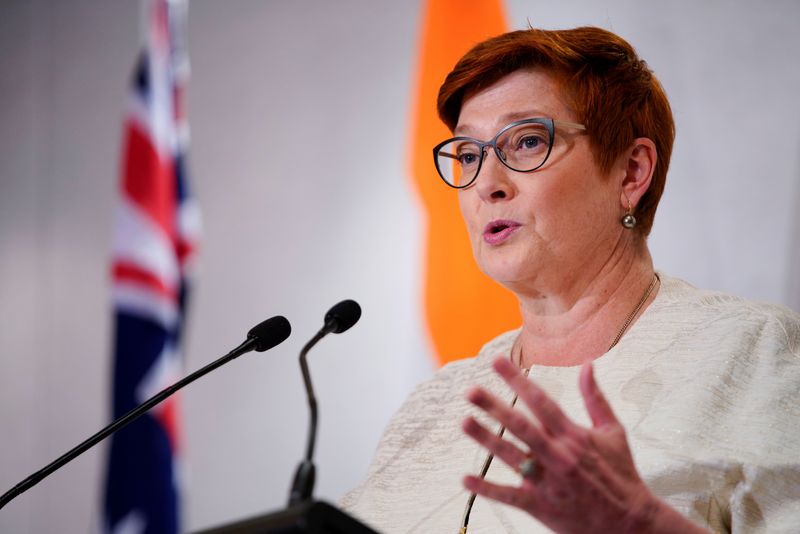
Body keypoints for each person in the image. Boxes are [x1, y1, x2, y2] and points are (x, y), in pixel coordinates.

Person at [342, 26, 800, 533]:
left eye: (527, 142)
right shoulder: (432, 409)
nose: (487, 185)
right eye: (469, 155)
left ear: (630, 173)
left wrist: (640, 526)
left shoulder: (751, 351)